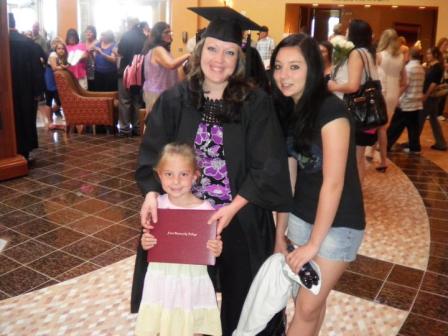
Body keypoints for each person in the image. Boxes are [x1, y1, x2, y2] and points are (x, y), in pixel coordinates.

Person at [131, 7, 292, 336]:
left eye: (230, 52)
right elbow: (154, 154)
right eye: (213, 49)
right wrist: (150, 193)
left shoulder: (255, 104)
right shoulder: (176, 100)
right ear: (200, 50)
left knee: (244, 301)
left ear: (239, 58)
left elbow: (268, 164)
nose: (219, 59)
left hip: (240, 215)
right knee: (183, 303)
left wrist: (231, 209)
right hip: (183, 217)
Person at [272, 33, 365, 336]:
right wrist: (279, 232)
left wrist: (313, 244)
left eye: (294, 67)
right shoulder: (291, 110)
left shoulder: (332, 112)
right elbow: (290, 178)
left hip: (338, 224)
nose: (284, 76)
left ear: (313, 68)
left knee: (306, 307)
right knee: (310, 301)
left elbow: (334, 184)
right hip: (301, 217)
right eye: (279, 67)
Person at [134, 142, 222, 336]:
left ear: (195, 176)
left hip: (191, 277)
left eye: (183, 174)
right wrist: (146, 242)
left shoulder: (205, 209)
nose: (176, 181)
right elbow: (147, 238)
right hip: (162, 276)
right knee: (162, 319)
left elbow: (213, 246)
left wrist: (216, 248)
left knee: (190, 321)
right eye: (169, 174)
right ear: (159, 175)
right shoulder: (157, 205)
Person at [328, 19, 379, 182]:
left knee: (353, 158)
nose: (346, 33)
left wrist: (333, 86)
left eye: (348, 30)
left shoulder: (357, 54)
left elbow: (353, 86)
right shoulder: (369, 53)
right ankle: (357, 191)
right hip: (368, 112)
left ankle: (353, 193)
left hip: (357, 112)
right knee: (359, 156)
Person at [8, 13, 45, 163]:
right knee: (26, 119)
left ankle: (9, 152)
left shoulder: (4, 42)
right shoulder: (29, 43)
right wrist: (38, 91)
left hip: (7, 91)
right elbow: (37, 69)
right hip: (27, 90)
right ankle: (25, 153)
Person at [371, 28, 406, 171]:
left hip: (382, 93)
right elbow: (405, 81)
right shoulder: (401, 58)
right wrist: (397, 93)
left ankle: (383, 161)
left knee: (380, 128)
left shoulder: (379, 56)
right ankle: (371, 151)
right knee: (383, 126)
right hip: (393, 93)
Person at [141, 21, 189, 117]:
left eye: (170, 32)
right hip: (157, 92)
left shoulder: (163, 50)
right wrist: (188, 55)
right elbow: (171, 65)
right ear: (159, 34)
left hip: (162, 91)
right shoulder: (158, 49)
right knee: (155, 122)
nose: (169, 35)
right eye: (166, 32)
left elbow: (174, 69)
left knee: (158, 121)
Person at [387, 48, 425, 153]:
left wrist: (398, 97)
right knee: (413, 127)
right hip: (416, 102)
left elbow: (405, 84)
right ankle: (415, 147)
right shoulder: (421, 68)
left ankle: (387, 144)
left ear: (410, 55)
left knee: (396, 126)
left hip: (406, 102)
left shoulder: (408, 68)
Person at [117, 19, 147, 136]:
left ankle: (124, 129)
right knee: (137, 101)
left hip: (125, 71)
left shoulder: (126, 36)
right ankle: (137, 127)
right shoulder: (144, 37)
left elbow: (121, 53)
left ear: (130, 24)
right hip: (139, 74)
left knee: (125, 100)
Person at [420, 47, 447, 151]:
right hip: (432, 98)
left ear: (435, 55)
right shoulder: (432, 66)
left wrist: (425, 96)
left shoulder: (437, 68)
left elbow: (433, 84)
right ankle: (441, 143)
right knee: (433, 120)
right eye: (427, 54)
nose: (427, 56)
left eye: (429, 54)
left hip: (431, 97)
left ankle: (413, 142)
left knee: (419, 118)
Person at [44, 38, 69, 130]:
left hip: (54, 79)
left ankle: (50, 120)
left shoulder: (61, 57)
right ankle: (49, 121)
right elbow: (54, 68)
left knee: (56, 101)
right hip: (49, 79)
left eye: (62, 48)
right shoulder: (53, 54)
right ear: (55, 49)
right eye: (59, 48)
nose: (61, 50)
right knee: (51, 100)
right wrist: (64, 67)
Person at [84, 25, 98, 90]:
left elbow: (99, 58)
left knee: (94, 89)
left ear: (94, 33)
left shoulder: (97, 43)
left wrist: (93, 54)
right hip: (85, 70)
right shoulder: (83, 43)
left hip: (95, 71)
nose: (88, 33)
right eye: (87, 32)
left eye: (90, 32)